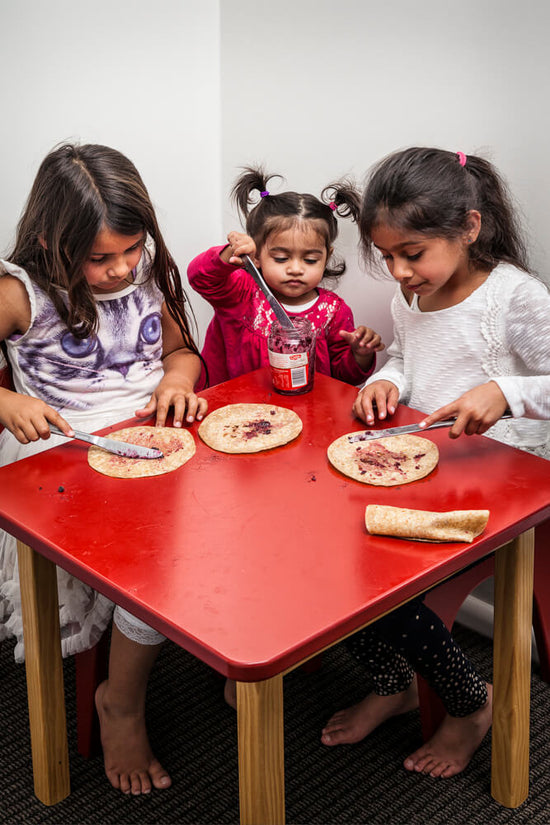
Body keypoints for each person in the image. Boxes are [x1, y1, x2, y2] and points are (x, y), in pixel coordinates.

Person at [321, 147, 550, 778]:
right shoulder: (412, 298)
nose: (397, 271)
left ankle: (471, 706)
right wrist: (388, 377)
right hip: (430, 467)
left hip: (509, 479)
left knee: (383, 590)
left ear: (469, 228)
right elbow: (405, 353)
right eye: (387, 256)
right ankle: (394, 684)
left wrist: (506, 392)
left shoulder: (515, 299)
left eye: (411, 254)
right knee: (328, 551)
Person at [0, 143, 208, 795]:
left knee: (235, 523)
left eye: (131, 249)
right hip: (64, 461)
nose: (121, 269)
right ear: (49, 238)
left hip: (154, 443)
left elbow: (181, 352)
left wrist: (177, 379)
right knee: (157, 562)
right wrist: (6, 399)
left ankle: (238, 659)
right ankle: (121, 701)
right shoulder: (18, 291)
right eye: (100, 258)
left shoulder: (145, 271)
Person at [187, 166, 385, 389]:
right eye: (281, 258)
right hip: (233, 409)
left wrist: (360, 354)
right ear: (258, 254)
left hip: (303, 413)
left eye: (310, 260)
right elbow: (200, 278)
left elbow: (343, 378)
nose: (295, 269)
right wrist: (229, 253)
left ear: (326, 257)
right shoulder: (243, 293)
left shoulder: (333, 311)